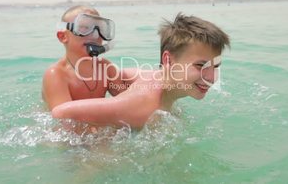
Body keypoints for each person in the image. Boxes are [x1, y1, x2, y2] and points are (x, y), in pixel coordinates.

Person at [51, 13, 230, 129]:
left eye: (216, 66)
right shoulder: (143, 107)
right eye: (200, 66)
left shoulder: (155, 77)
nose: (211, 78)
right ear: (168, 60)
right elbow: (60, 112)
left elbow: (115, 74)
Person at [42, 5, 126, 110]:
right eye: (84, 28)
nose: (95, 35)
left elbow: (128, 103)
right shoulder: (56, 74)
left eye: (99, 29)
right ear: (63, 37)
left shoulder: (106, 68)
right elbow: (65, 121)